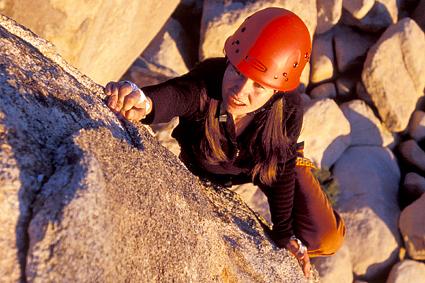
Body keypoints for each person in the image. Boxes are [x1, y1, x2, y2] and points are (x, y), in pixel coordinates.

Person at [104, 7, 345, 280]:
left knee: (328, 238)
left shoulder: (287, 110)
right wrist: (143, 100)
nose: (241, 92)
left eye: (259, 86)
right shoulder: (210, 80)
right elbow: (178, 94)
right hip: (213, 166)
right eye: (238, 72)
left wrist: (284, 234)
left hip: (265, 162)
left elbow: (280, 170)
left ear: (276, 91)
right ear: (229, 61)